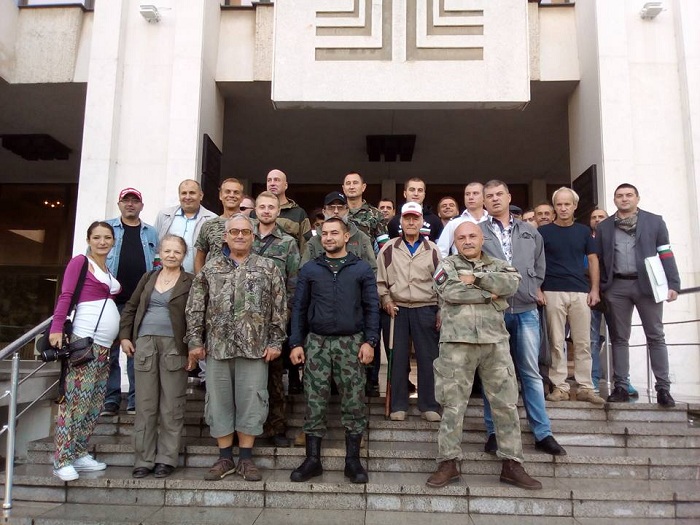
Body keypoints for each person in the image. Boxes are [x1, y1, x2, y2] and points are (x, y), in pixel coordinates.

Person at [427, 222, 541, 490]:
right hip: (457, 344)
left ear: (481, 238)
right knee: (453, 405)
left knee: (506, 404)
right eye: (461, 237)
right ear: (455, 241)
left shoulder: (499, 263)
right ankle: (448, 462)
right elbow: (451, 292)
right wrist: (492, 296)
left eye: (472, 236)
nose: (467, 241)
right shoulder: (447, 266)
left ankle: (512, 464)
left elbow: (511, 284)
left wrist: (476, 279)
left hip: (495, 343)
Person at [185, 214, 287, 481]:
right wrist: (195, 341)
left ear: (253, 236)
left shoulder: (268, 268)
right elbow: (196, 306)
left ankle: (245, 459)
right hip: (218, 348)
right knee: (218, 403)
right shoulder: (210, 268)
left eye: (245, 232)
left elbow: (280, 308)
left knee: (252, 402)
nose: (240, 236)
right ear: (225, 237)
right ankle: (224, 458)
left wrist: (276, 341)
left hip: (255, 349)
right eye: (235, 232)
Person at [288, 218, 380, 484]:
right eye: (324, 234)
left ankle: (352, 461)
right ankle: (312, 460)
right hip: (317, 343)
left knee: (354, 401)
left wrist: (370, 341)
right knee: (314, 401)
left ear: (346, 236)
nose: (328, 238)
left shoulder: (361, 268)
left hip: (352, 343)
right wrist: (296, 343)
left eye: (334, 233)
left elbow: (372, 307)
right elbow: (299, 308)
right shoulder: (310, 270)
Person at [478, 181, 566, 457]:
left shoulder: (529, 232)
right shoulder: (478, 232)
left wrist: (531, 287)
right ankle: (494, 432)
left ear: (508, 197)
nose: (494, 199)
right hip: (495, 312)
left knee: (530, 372)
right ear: (483, 201)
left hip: (526, 309)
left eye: (498, 195)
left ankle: (542, 432)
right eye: (489, 196)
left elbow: (539, 266)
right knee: (494, 374)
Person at [49, 221, 122, 481]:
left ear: (113, 241)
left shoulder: (106, 268)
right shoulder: (79, 262)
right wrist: (57, 328)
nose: (102, 242)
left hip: (105, 347)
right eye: (97, 237)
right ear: (88, 239)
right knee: (76, 402)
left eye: (107, 238)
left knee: (93, 402)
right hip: (84, 342)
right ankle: (62, 459)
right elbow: (66, 295)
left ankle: (79, 452)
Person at [597, 184, 681, 407]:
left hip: (648, 286)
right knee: (619, 338)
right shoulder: (605, 226)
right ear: (614, 200)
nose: (624, 199)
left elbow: (665, 252)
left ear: (637, 198)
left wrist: (673, 283)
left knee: (655, 336)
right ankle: (621, 386)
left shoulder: (655, 221)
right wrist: (603, 287)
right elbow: (600, 258)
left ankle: (663, 388)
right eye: (619, 196)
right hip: (617, 287)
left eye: (628, 195)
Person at [119, 234, 193, 479]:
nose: (172, 255)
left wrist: (194, 347)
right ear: (159, 253)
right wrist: (125, 336)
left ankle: (166, 459)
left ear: (184, 255)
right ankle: (144, 459)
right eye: (167, 251)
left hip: (174, 346)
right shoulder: (148, 277)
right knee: (145, 406)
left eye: (177, 252)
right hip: (145, 345)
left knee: (172, 406)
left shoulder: (189, 281)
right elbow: (131, 306)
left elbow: (196, 317)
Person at [377, 202, 442, 422]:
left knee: (429, 358)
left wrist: (440, 310)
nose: (411, 222)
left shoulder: (433, 250)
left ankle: (429, 404)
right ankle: (398, 404)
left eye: (415, 218)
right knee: (397, 359)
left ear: (422, 221)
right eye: (407, 219)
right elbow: (380, 281)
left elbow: (442, 283)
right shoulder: (389, 248)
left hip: (426, 307)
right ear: (401, 222)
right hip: (396, 309)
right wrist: (385, 299)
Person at [539, 188, 605, 405]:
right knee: (556, 342)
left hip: (579, 292)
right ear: (554, 206)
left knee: (583, 342)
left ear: (575, 206)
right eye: (559, 204)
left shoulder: (584, 231)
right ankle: (560, 387)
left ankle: (586, 387)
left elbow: (593, 260)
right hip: (552, 291)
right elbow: (536, 261)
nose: (563, 208)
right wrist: (538, 288)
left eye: (567, 204)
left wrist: (594, 289)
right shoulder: (544, 232)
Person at [101, 187, 159, 417]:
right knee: (111, 351)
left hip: (139, 302)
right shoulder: (106, 229)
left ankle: (135, 400)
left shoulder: (150, 233)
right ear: (119, 204)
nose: (130, 204)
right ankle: (111, 400)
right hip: (110, 301)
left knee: (137, 351)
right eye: (126, 200)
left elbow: (157, 263)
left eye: (135, 201)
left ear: (141, 206)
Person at [252, 191, 300, 447]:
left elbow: (293, 282)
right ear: (256, 210)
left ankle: (276, 427)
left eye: (271, 207)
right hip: (244, 319)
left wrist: (286, 316)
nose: (267, 211)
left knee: (274, 377)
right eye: (262, 207)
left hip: (275, 319)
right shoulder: (243, 237)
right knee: (249, 379)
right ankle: (249, 427)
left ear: (278, 211)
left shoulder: (288, 243)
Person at [301, 192, 377, 272]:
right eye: (331, 208)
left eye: (340, 208)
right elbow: (304, 272)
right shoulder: (314, 241)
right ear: (324, 211)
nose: (336, 211)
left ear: (347, 210)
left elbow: (372, 269)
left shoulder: (361, 238)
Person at [155, 179, 216, 273]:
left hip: (197, 279)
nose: (187, 197)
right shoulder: (165, 215)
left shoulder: (212, 219)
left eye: (192, 193)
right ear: (179, 196)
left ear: (201, 195)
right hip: (167, 277)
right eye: (184, 193)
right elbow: (156, 247)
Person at [250, 169, 311, 251]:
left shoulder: (298, 213)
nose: (272, 183)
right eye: (269, 180)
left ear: (286, 185)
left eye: (276, 180)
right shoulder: (255, 213)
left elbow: (306, 247)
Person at [194, 178, 246, 273]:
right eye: (227, 192)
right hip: (216, 282)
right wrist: (201, 282)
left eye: (236, 192)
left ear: (242, 197)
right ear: (221, 195)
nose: (231, 195)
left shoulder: (252, 225)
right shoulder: (208, 225)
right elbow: (199, 258)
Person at [437, 182, 489, 257]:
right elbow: (441, 251)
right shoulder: (455, 223)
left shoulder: (492, 220)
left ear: (484, 197)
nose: (470, 197)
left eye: (475, 193)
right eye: (467, 194)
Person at [343, 171, 389, 252]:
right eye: (348, 183)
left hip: (367, 262)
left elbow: (384, 245)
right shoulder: (337, 213)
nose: (351, 187)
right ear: (343, 188)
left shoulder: (376, 214)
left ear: (363, 187)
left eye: (355, 183)